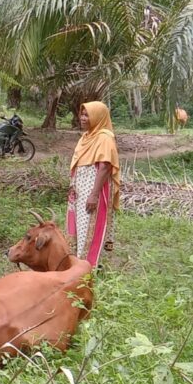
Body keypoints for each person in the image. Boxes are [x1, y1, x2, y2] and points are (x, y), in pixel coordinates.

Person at [66, 101, 120, 269]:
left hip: (92, 190)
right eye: (82, 114)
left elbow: (105, 167)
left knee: (90, 225)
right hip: (80, 190)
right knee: (79, 226)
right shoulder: (86, 137)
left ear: (98, 117)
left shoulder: (104, 137)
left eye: (87, 114)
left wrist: (94, 194)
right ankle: (78, 264)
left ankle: (88, 268)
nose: (82, 118)